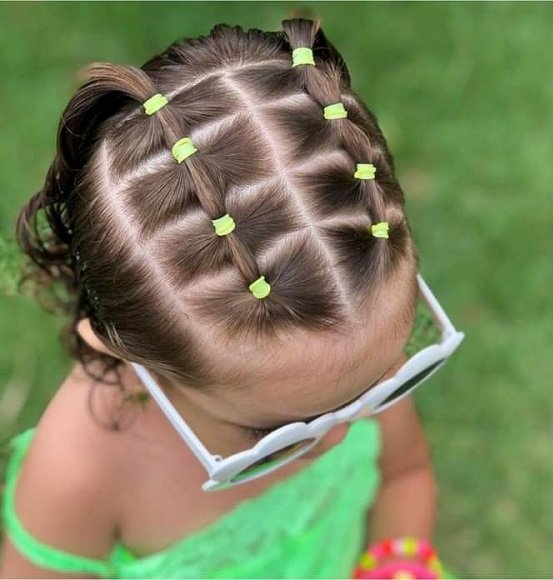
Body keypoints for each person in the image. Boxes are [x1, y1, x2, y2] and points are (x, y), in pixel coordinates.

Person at [0, 17, 463, 579]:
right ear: (134, 354)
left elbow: (403, 473)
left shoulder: (339, 376)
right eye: (272, 436)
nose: (343, 433)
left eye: (381, 388)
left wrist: (398, 563)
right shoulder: (78, 472)